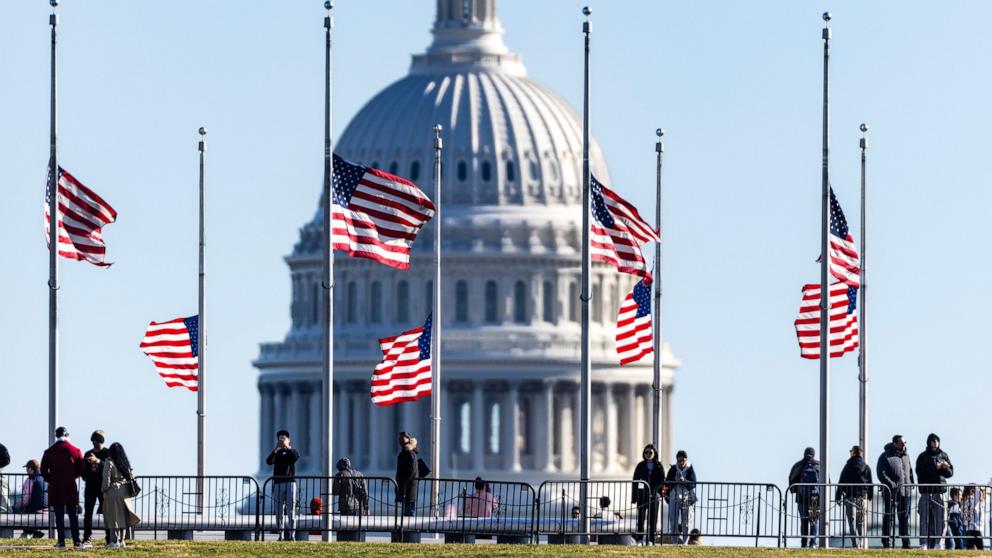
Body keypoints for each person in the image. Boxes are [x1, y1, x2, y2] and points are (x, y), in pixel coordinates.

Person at [40, 426, 86, 549]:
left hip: (56, 487)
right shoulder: (75, 450)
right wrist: (73, 476)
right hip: (70, 486)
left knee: (59, 516)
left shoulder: (49, 451)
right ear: (67, 435)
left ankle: (61, 542)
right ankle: (76, 541)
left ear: (57, 436)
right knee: (73, 515)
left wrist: (51, 479)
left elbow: (43, 470)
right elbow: (81, 469)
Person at [915, 433, 953, 549]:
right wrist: (934, 468)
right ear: (929, 442)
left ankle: (939, 543)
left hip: (940, 492)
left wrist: (945, 468)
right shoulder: (922, 456)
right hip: (926, 491)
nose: (935, 442)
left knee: (941, 519)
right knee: (924, 519)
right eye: (933, 440)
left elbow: (950, 473)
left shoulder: (944, 455)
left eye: (937, 440)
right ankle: (923, 543)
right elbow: (919, 472)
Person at [876, 434, 914, 548]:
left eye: (905, 442)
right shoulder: (885, 456)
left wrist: (911, 483)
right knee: (889, 517)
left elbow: (910, 471)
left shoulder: (906, 456)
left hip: (905, 492)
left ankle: (905, 543)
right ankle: (886, 542)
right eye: (902, 443)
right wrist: (892, 485)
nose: (904, 445)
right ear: (895, 443)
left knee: (904, 517)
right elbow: (881, 473)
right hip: (891, 493)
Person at [101, 442, 139, 548]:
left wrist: (104, 490)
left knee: (113, 517)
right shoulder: (125, 462)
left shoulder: (109, 462)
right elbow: (130, 476)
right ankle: (122, 541)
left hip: (113, 491)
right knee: (123, 517)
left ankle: (114, 541)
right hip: (125, 491)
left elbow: (106, 479)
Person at [266, 429, 300, 541]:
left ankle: (292, 535)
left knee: (291, 510)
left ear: (289, 440)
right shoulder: (277, 453)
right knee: (279, 510)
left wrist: (287, 447)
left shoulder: (292, 451)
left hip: (290, 482)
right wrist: (276, 448)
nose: (282, 440)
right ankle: (280, 534)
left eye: (284, 438)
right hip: (278, 483)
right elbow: (269, 461)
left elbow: (295, 457)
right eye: (280, 438)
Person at [836, 445, 873, 548]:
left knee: (852, 522)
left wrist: (838, 496)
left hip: (850, 496)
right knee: (861, 521)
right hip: (862, 497)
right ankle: (861, 544)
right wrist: (870, 495)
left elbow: (841, 481)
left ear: (853, 453)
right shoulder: (866, 467)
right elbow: (870, 482)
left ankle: (855, 544)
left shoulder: (847, 466)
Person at [787, 447, 821, 548]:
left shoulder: (798, 465)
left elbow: (791, 479)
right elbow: (827, 480)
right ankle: (813, 543)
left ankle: (804, 542)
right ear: (814, 454)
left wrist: (795, 490)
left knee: (804, 521)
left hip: (801, 498)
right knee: (814, 520)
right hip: (815, 498)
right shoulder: (819, 465)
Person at [631, 444, 664, 545]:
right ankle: (640, 538)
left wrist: (659, 493)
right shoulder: (640, 465)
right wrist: (634, 497)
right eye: (646, 452)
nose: (648, 454)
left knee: (653, 519)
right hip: (642, 495)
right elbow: (635, 481)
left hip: (654, 496)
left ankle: (651, 540)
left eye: (650, 452)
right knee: (640, 518)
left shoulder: (659, 466)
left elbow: (662, 480)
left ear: (654, 454)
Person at [81, 430, 109, 545]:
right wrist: (86, 468)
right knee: (88, 513)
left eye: (97, 441)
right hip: (90, 486)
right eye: (93, 442)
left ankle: (109, 536)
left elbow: (109, 468)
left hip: (103, 487)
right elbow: (83, 472)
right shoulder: (88, 453)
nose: (95, 444)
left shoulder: (107, 453)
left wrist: (97, 461)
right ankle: (87, 537)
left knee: (107, 513)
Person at [664, 450, 696, 544]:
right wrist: (674, 480)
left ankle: (685, 542)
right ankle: (674, 542)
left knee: (685, 521)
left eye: (683, 460)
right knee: (673, 520)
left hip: (686, 497)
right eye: (679, 460)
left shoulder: (690, 469)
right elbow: (667, 482)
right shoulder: (673, 469)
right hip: (674, 496)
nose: (681, 463)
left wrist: (684, 480)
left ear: (686, 460)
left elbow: (693, 483)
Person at [20, 460, 47, 538]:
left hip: (34, 511)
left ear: (31, 469)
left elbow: (25, 500)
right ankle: (35, 533)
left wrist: (19, 505)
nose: (26, 470)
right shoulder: (45, 479)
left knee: (15, 509)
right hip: (47, 511)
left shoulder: (30, 480)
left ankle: (26, 534)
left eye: (27, 468)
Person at [394, 432, 419, 517]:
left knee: (409, 512)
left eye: (402, 438)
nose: (399, 441)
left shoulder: (409, 453)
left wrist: (403, 484)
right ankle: (407, 529)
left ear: (408, 439)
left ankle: (410, 529)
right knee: (406, 512)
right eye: (399, 439)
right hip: (406, 488)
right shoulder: (406, 453)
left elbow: (411, 471)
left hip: (408, 488)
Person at [961, 484, 986, 550]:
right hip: (974, 528)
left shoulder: (964, 501)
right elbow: (978, 493)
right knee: (980, 549)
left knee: (970, 548)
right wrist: (977, 487)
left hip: (970, 528)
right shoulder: (972, 499)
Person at [0, 442, 9, 513]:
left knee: (3, 493)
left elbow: (7, 460)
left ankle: (5, 511)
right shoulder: (2, 446)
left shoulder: (1, 447)